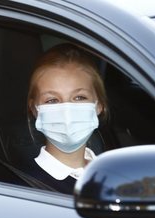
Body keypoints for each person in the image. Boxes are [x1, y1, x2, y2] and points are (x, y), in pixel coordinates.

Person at [27, 43, 108, 194]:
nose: (67, 112)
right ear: (35, 110)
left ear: (99, 105)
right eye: (52, 100)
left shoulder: (114, 175)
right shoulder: (23, 189)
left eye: (79, 97)